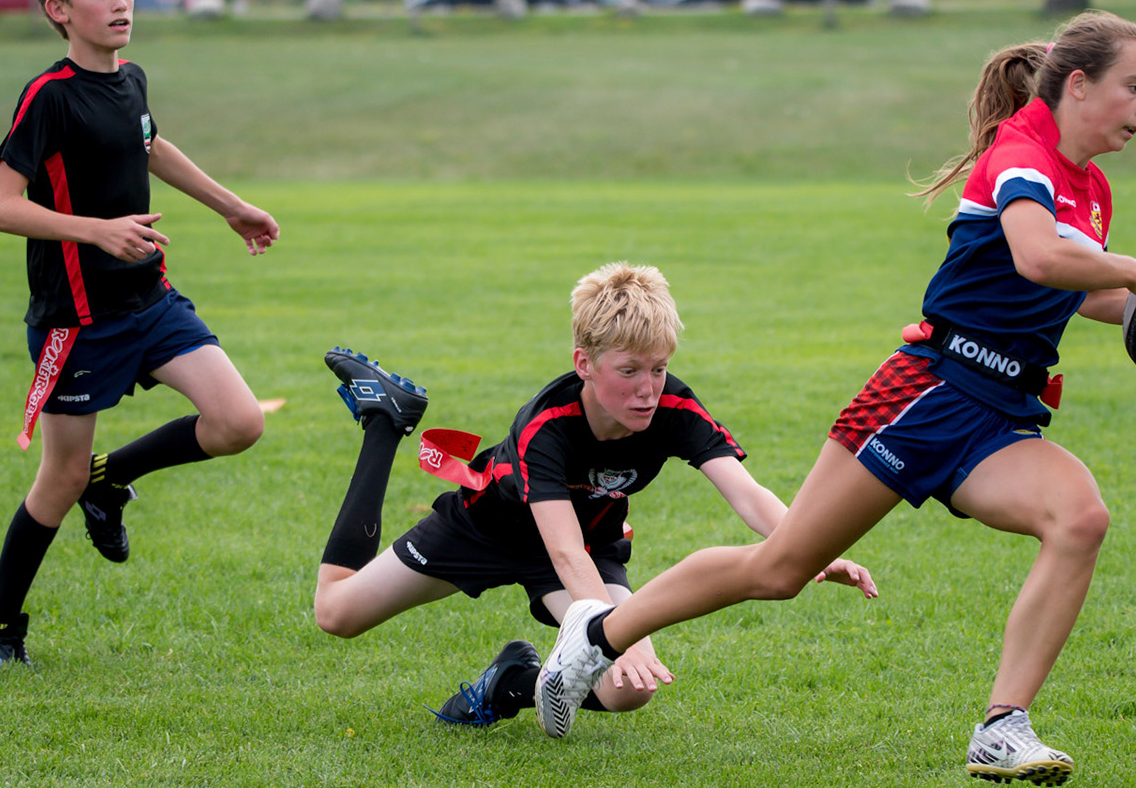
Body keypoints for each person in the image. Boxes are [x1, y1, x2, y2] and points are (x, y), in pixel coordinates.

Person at [533, 11, 1136, 786]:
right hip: (926, 393)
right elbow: (1036, 255)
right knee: (781, 568)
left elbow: (1077, 290)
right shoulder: (1022, 152)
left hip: (1000, 412)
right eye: (1135, 87)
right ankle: (598, 635)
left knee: (1081, 517)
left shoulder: (1092, 190)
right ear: (1079, 84)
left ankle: (1001, 727)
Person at [312, 261, 876, 727]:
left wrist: (807, 547)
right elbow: (562, 552)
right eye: (629, 371)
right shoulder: (545, 427)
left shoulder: (673, 408)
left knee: (630, 689)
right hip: (486, 530)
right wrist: (608, 636)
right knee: (337, 613)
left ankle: (511, 683)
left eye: (658, 369)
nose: (647, 389)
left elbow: (747, 494)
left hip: (589, 546)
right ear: (584, 364)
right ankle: (385, 423)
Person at [0, 0, 280, 666]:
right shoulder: (48, 96)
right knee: (59, 476)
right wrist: (96, 231)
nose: (120, 3)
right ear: (58, 8)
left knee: (239, 421)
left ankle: (111, 484)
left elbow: (150, 144)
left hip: (149, 300)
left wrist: (231, 206)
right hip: (76, 321)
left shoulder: (130, 78)